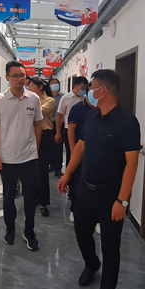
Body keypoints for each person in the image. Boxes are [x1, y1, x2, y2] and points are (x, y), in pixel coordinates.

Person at [57, 69, 141, 289]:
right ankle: (91, 264)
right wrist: (67, 174)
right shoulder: (91, 116)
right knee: (81, 233)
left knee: (110, 247)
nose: (87, 92)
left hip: (110, 194)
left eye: (91, 87)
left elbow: (132, 163)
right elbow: (81, 147)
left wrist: (122, 200)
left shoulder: (128, 122)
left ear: (103, 90)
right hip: (85, 188)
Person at [0, 61, 44, 250]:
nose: (20, 79)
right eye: (15, 75)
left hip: (29, 157)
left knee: (30, 198)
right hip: (7, 158)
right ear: (7, 77)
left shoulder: (34, 99)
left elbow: (38, 125)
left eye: (23, 75)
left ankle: (29, 231)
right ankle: (10, 228)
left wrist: (36, 150)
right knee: (8, 198)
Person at [65, 84, 95, 224]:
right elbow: (71, 130)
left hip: (96, 153)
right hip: (79, 150)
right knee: (76, 181)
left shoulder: (102, 109)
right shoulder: (77, 108)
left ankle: (96, 218)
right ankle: (74, 209)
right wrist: (73, 151)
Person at [28, 77, 55, 217]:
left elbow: (36, 112)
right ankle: (34, 197)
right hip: (29, 136)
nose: (30, 88)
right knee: (30, 169)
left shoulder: (49, 100)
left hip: (45, 137)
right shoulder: (27, 99)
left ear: (40, 87)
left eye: (32, 86)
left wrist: (26, 108)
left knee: (42, 170)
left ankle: (44, 202)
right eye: (29, 86)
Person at [55, 76, 88, 183]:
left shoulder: (85, 99)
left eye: (85, 89)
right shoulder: (66, 98)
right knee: (71, 155)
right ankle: (70, 180)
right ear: (75, 86)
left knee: (82, 156)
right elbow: (60, 116)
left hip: (82, 132)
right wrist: (58, 133)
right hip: (69, 132)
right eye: (82, 88)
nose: (83, 91)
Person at [48, 78, 65, 175]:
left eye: (56, 83)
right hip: (49, 124)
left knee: (58, 146)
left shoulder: (63, 97)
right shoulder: (47, 97)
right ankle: (52, 165)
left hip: (60, 124)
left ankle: (58, 168)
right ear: (49, 85)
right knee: (49, 146)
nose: (54, 85)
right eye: (52, 83)